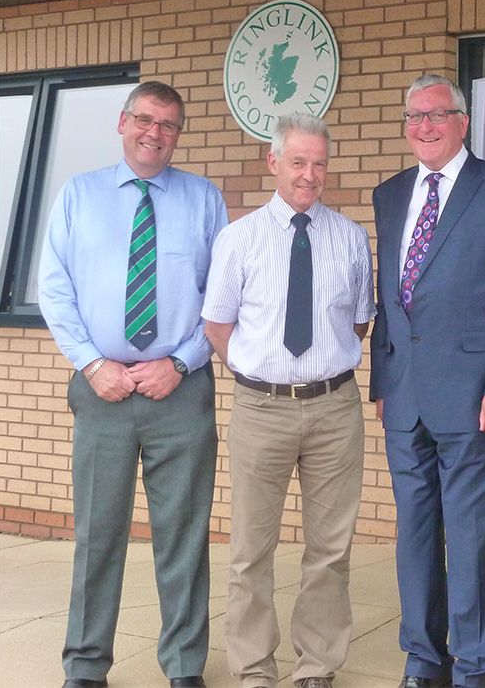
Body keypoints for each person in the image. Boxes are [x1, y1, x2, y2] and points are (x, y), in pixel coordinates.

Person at [38, 80, 227, 688]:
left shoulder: (204, 199)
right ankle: (87, 666)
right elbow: (54, 290)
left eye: (169, 125)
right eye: (145, 120)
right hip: (103, 393)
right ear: (123, 123)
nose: (155, 133)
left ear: (178, 134)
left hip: (181, 391)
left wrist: (184, 361)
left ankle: (184, 666)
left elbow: (224, 298)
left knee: (184, 536)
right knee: (97, 535)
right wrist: (94, 365)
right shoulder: (78, 195)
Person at [369, 74, 485, 688]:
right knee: (415, 537)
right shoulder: (390, 194)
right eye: (413, 117)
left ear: (462, 121)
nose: (424, 127)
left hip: (479, 402)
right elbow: (390, 298)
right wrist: (384, 382)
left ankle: (474, 668)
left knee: (474, 543)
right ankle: (424, 661)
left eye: (437, 115)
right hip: (407, 401)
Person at [202, 113, 375, 688]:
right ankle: (253, 669)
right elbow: (218, 326)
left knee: (329, 551)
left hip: (334, 410)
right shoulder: (239, 238)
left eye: (319, 163)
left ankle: (317, 667)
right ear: (273, 162)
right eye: (298, 161)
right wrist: (263, 374)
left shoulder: (350, 238)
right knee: (251, 550)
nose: (310, 175)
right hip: (260, 409)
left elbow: (358, 324)